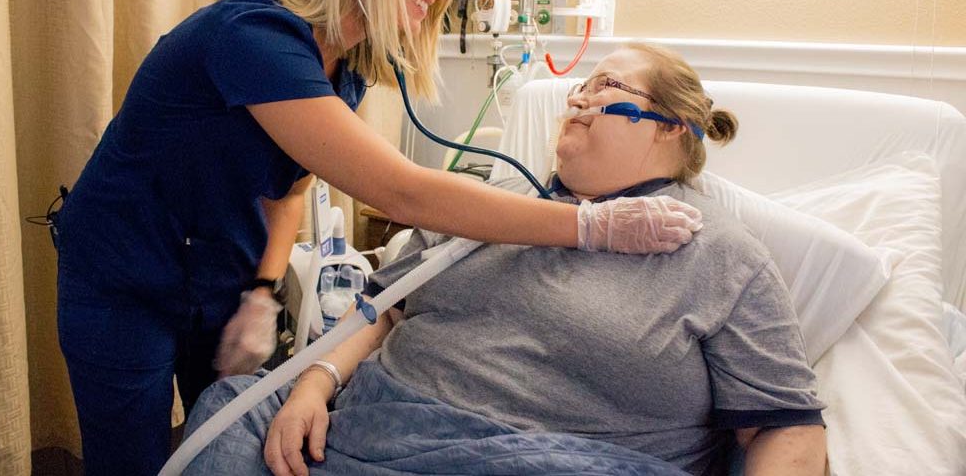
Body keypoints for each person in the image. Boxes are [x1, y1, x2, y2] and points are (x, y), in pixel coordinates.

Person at [52, 0, 703, 476]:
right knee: (134, 458)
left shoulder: (347, 69)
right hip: (123, 270)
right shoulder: (252, 39)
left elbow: (291, 184)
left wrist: (261, 291)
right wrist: (591, 225)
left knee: (216, 438)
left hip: (220, 272)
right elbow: (403, 192)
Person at [182, 44, 828, 476]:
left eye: (605, 87)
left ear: (670, 125)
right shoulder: (489, 207)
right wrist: (311, 385)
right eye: (578, 86)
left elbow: (786, 427)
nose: (577, 99)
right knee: (231, 409)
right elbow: (379, 310)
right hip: (371, 427)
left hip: (552, 456)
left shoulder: (721, 253)